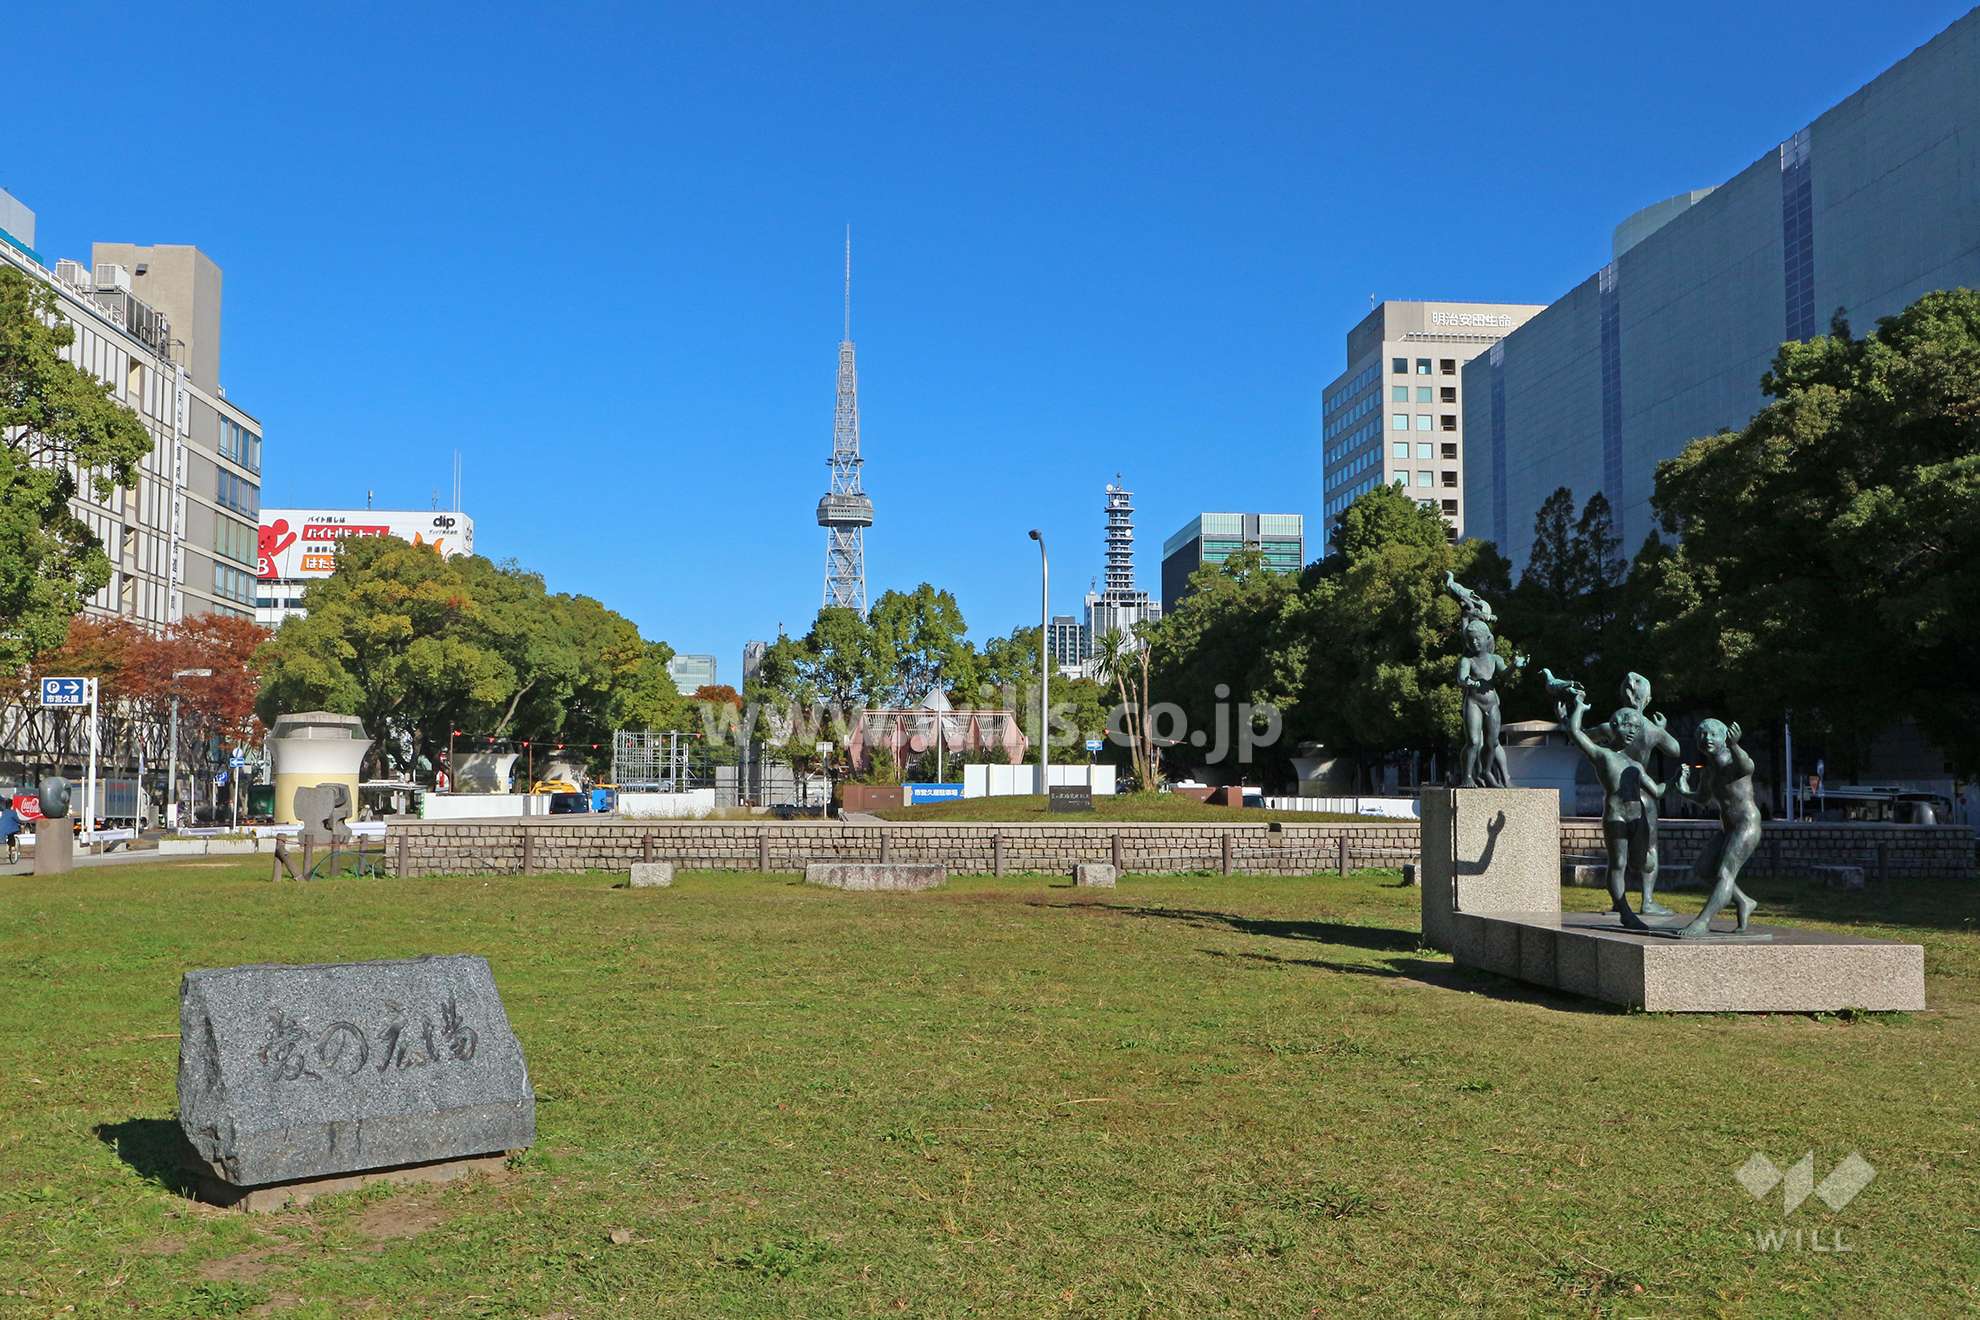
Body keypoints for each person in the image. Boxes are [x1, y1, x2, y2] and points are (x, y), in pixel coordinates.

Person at [1561, 691, 1664, 931]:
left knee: (1644, 863)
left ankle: (1633, 903)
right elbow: (1576, 733)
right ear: (1615, 726)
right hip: (1615, 816)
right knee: (1618, 864)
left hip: (1637, 818)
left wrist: (1680, 781)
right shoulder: (1603, 756)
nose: (1632, 732)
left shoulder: (1635, 765)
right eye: (1628, 726)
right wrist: (1579, 708)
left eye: (1636, 729)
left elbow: (1657, 791)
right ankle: (1625, 911)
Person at [1586, 673, 1682, 915]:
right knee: (1650, 851)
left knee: (1618, 859)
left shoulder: (1613, 725)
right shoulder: (1650, 728)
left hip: (1616, 796)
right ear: (1647, 698)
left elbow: (1586, 736)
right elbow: (1675, 750)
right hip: (1644, 794)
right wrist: (1662, 730)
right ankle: (1647, 901)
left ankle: (1620, 902)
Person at [1674, 719, 1761, 937]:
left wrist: (1735, 745)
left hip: (1746, 823)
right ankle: (1744, 901)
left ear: (1724, 737)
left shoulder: (1733, 761)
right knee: (1704, 870)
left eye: (1713, 734)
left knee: (1725, 873)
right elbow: (1703, 798)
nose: (1707, 739)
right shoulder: (1708, 770)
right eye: (1702, 735)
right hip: (1728, 828)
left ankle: (1702, 921)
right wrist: (1684, 790)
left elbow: (1747, 766)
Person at [1456, 618, 1513, 788]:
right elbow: (1461, 677)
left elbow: (1504, 675)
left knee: (1492, 742)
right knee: (1473, 741)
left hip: (1492, 703)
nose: (1474, 642)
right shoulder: (1467, 661)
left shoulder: (1495, 659)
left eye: (1478, 638)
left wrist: (1515, 666)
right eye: (1471, 639)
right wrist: (1469, 682)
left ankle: (1486, 771)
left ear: (1487, 638)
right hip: (1473, 703)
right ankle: (1467, 776)